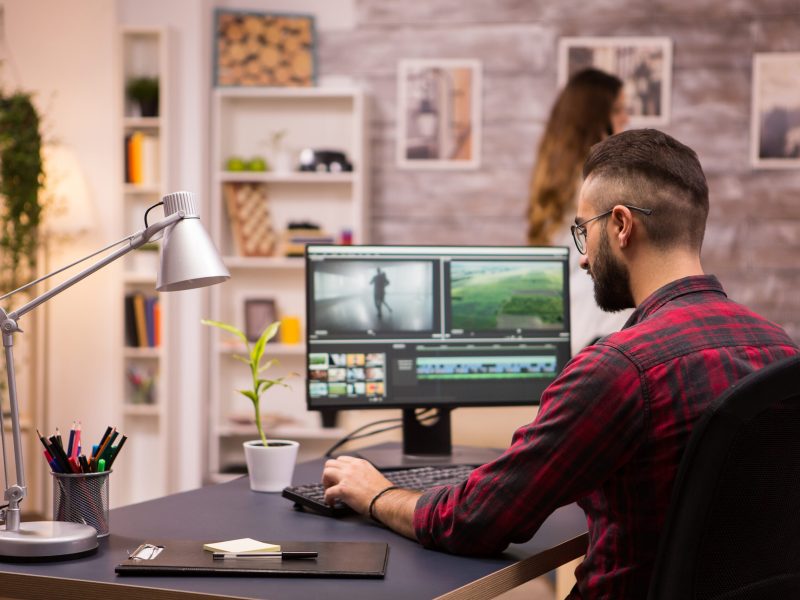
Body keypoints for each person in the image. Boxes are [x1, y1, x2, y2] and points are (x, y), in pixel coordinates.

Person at [322, 129, 800, 598]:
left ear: (620, 226)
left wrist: (376, 494)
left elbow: (476, 520)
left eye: (582, 231)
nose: (583, 259)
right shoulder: (780, 350)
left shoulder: (618, 370)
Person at [528, 68, 631, 354]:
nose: (627, 119)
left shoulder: (555, 181)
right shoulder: (599, 183)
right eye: (619, 110)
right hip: (599, 329)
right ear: (596, 118)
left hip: (566, 328)